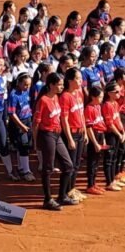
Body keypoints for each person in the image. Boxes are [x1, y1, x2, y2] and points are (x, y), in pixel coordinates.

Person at [33, 72, 76, 211]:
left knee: (68, 165)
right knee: (48, 168)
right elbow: (36, 124)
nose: (61, 87)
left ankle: (62, 196)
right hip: (46, 135)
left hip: (57, 135)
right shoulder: (43, 100)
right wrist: (35, 141)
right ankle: (47, 199)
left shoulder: (57, 97)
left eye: (62, 84)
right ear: (51, 85)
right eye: (59, 84)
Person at [59, 68, 88, 202]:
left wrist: (85, 132)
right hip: (71, 134)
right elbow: (64, 119)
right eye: (77, 78)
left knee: (76, 164)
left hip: (81, 133)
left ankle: (72, 189)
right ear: (70, 81)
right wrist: (69, 138)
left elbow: (82, 114)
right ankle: (66, 192)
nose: (80, 80)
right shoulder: (65, 96)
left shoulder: (79, 93)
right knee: (69, 165)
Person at [8, 72, 35, 181]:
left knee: (26, 145)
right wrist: (21, 125)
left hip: (28, 120)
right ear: (18, 83)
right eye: (25, 84)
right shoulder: (13, 95)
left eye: (29, 85)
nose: (27, 87)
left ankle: (21, 167)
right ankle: (26, 171)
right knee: (24, 146)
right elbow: (12, 113)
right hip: (19, 123)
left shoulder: (26, 91)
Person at [102, 81, 125, 191]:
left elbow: (118, 120)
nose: (119, 94)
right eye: (116, 92)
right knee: (109, 159)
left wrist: (122, 132)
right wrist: (118, 133)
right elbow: (109, 124)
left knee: (115, 157)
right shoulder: (107, 105)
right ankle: (109, 182)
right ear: (109, 93)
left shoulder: (115, 104)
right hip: (110, 134)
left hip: (117, 134)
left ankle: (113, 180)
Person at [84, 86, 107, 194]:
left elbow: (100, 123)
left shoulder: (98, 106)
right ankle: (90, 185)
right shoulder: (89, 108)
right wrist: (95, 143)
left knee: (97, 162)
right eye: (100, 97)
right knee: (92, 162)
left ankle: (94, 183)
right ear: (93, 97)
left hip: (100, 135)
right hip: (94, 136)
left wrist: (103, 140)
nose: (102, 99)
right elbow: (89, 128)